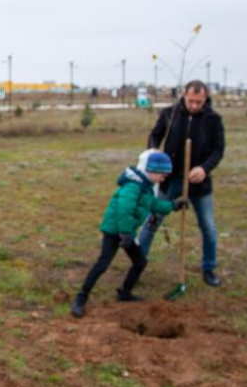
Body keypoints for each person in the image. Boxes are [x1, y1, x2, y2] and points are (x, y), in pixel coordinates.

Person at [72, 150, 188, 318]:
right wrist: (125, 233)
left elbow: (152, 205)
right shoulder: (134, 186)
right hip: (114, 230)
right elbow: (124, 210)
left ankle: (125, 293)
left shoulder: (146, 186)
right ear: (153, 171)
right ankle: (80, 299)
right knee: (103, 264)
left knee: (140, 261)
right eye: (163, 175)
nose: (164, 179)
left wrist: (173, 205)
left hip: (127, 231)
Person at [137, 80, 225, 287]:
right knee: (152, 221)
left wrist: (204, 168)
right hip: (170, 179)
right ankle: (137, 266)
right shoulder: (170, 113)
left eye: (199, 102)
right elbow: (155, 136)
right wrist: (154, 151)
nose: (194, 105)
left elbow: (218, 150)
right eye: (191, 101)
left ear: (205, 98)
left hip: (199, 183)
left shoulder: (213, 120)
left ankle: (209, 268)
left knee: (208, 227)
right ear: (184, 95)